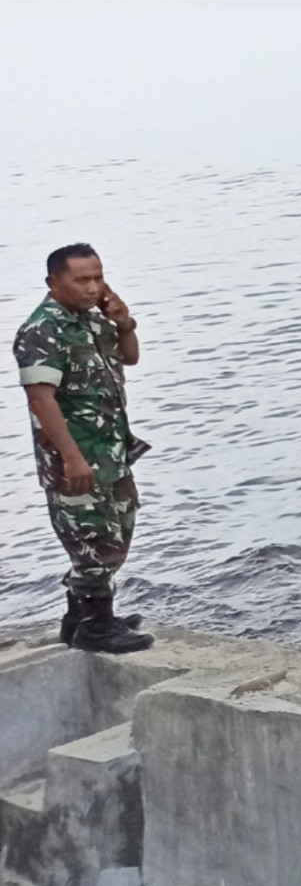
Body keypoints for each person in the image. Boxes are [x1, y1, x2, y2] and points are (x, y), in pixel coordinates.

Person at [15, 244, 153, 654]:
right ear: (53, 283)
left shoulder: (91, 321)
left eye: (98, 278)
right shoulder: (43, 329)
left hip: (110, 451)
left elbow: (130, 358)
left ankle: (81, 616)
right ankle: (96, 627)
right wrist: (72, 457)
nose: (93, 288)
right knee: (93, 541)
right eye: (82, 280)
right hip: (74, 456)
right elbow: (41, 399)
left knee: (117, 533)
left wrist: (124, 322)